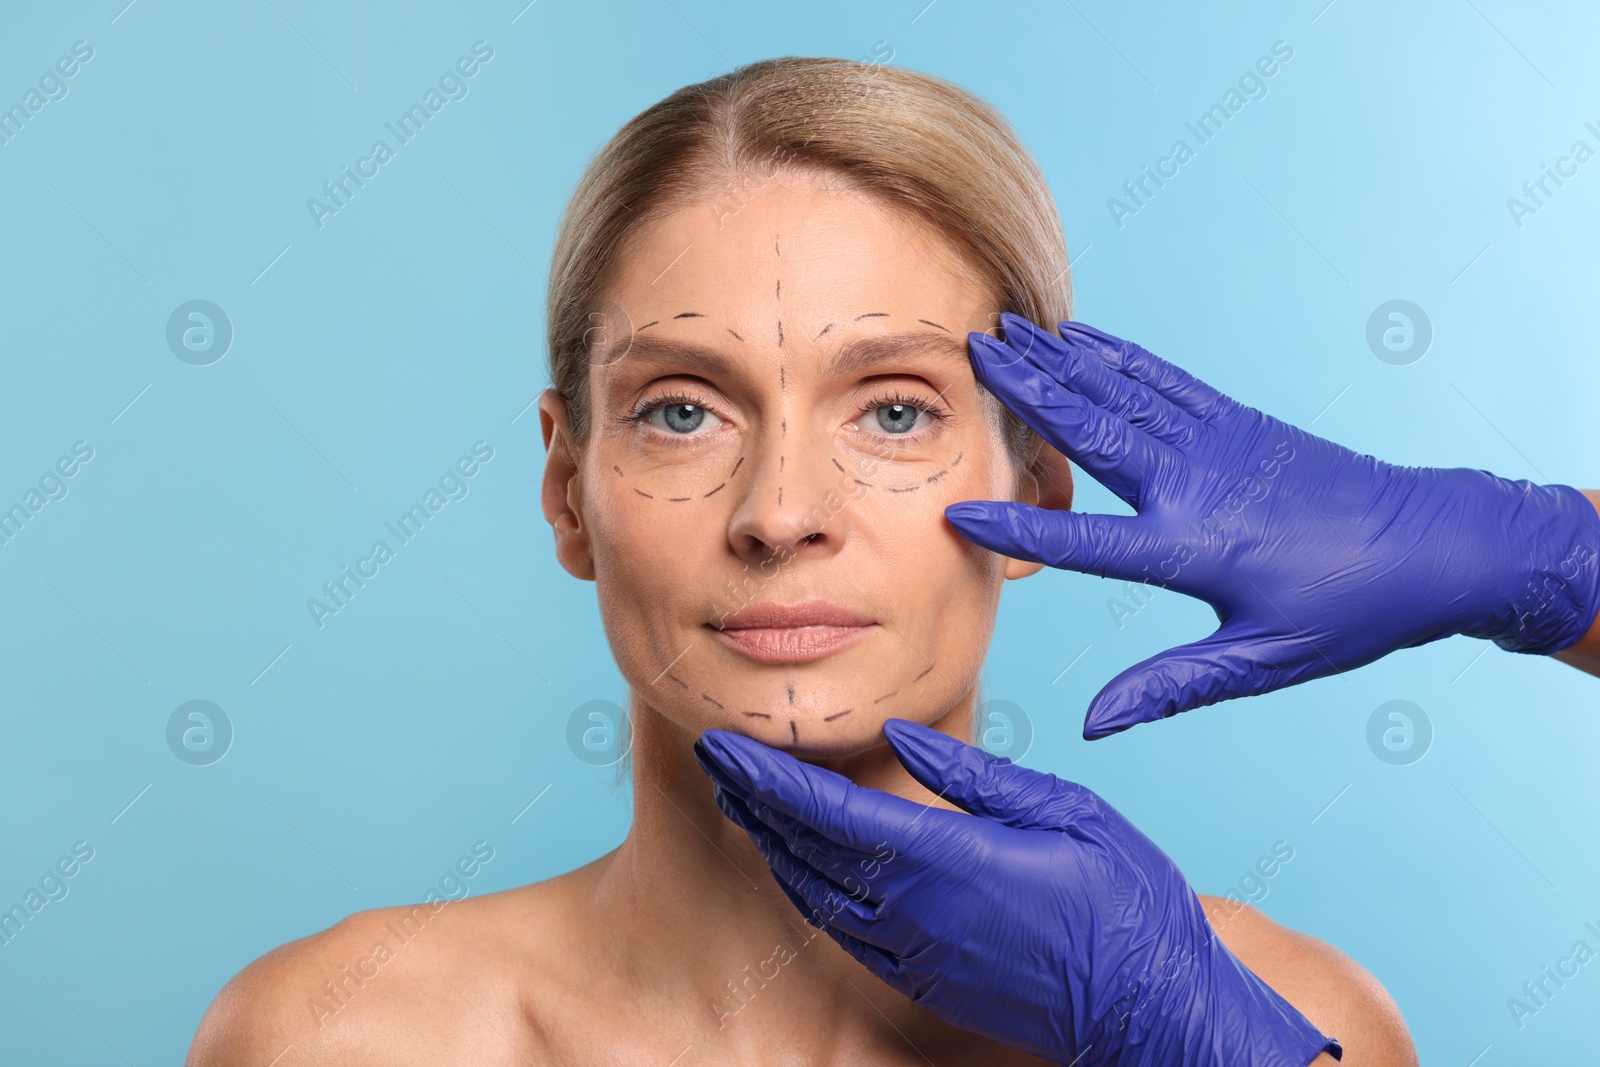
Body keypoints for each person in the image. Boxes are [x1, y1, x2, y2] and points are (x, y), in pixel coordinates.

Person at [185, 57, 1414, 1065]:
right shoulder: (336, 1034)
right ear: (567, 488)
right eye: (681, 409)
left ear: (1040, 478)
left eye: (891, 411)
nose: (780, 511)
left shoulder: (1283, 1021)